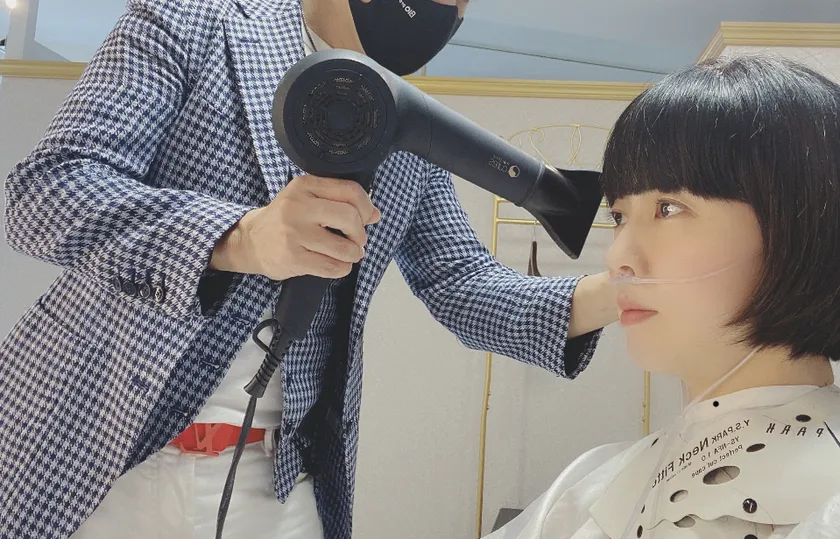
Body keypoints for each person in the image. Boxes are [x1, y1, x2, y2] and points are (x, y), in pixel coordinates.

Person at [0, 1, 618, 538]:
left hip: (281, 485)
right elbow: (46, 190)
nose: (453, 14)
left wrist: (621, 287)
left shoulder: (409, 132)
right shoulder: (189, 23)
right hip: (92, 453)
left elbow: (462, 285)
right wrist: (239, 239)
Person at [486, 54, 840, 539]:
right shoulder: (591, 487)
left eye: (668, 208)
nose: (617, 257)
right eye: (619, 217)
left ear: (801, 225)